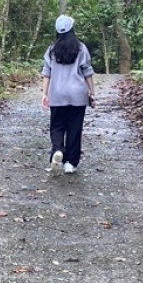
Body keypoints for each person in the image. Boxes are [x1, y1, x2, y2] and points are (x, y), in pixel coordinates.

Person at [40, 14, 96, 175]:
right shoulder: (81, 48)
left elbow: (46, 73)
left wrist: (45, 94)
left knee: (57, 126)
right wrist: (92, 93)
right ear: (72, 30)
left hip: (57, 94)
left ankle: (58, 150)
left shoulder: (52, 49)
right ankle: (70, 163)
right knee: (74, 128)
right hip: (78, 95)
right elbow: (88, 73)